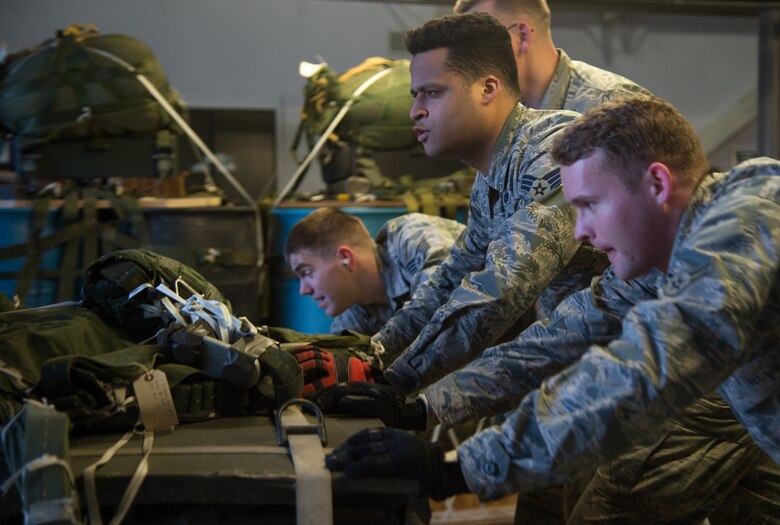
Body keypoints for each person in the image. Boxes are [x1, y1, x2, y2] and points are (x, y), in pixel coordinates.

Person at [325, 95, 780, 521]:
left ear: (657, 183)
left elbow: (648, 364)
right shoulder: (659, 267)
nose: (580, 232)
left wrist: (456, 467)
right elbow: (554, 342)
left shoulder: (748, 216)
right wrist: (420, 406)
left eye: (589, 205)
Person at [370, 11, 607, 397]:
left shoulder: (554, 150)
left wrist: (395, 381)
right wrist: (371, 357)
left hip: (666, 383)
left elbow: (498, 291)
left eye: (432, 92)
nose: (416, 110)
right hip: (590, 374)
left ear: (488, 88)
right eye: (415, 95)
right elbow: (451, 280)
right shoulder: (489, 180)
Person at [284, 207, 465, 335]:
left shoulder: (412, 237)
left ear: (345, 258)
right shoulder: (355, 316)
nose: (303, 290)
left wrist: (383, 347)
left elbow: (444, 304)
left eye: (306, 272)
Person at [453, 0, 649, 112]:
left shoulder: (611, 105)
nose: (472, 60)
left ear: (522, 36)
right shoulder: (504, 113)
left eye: (480, 43)